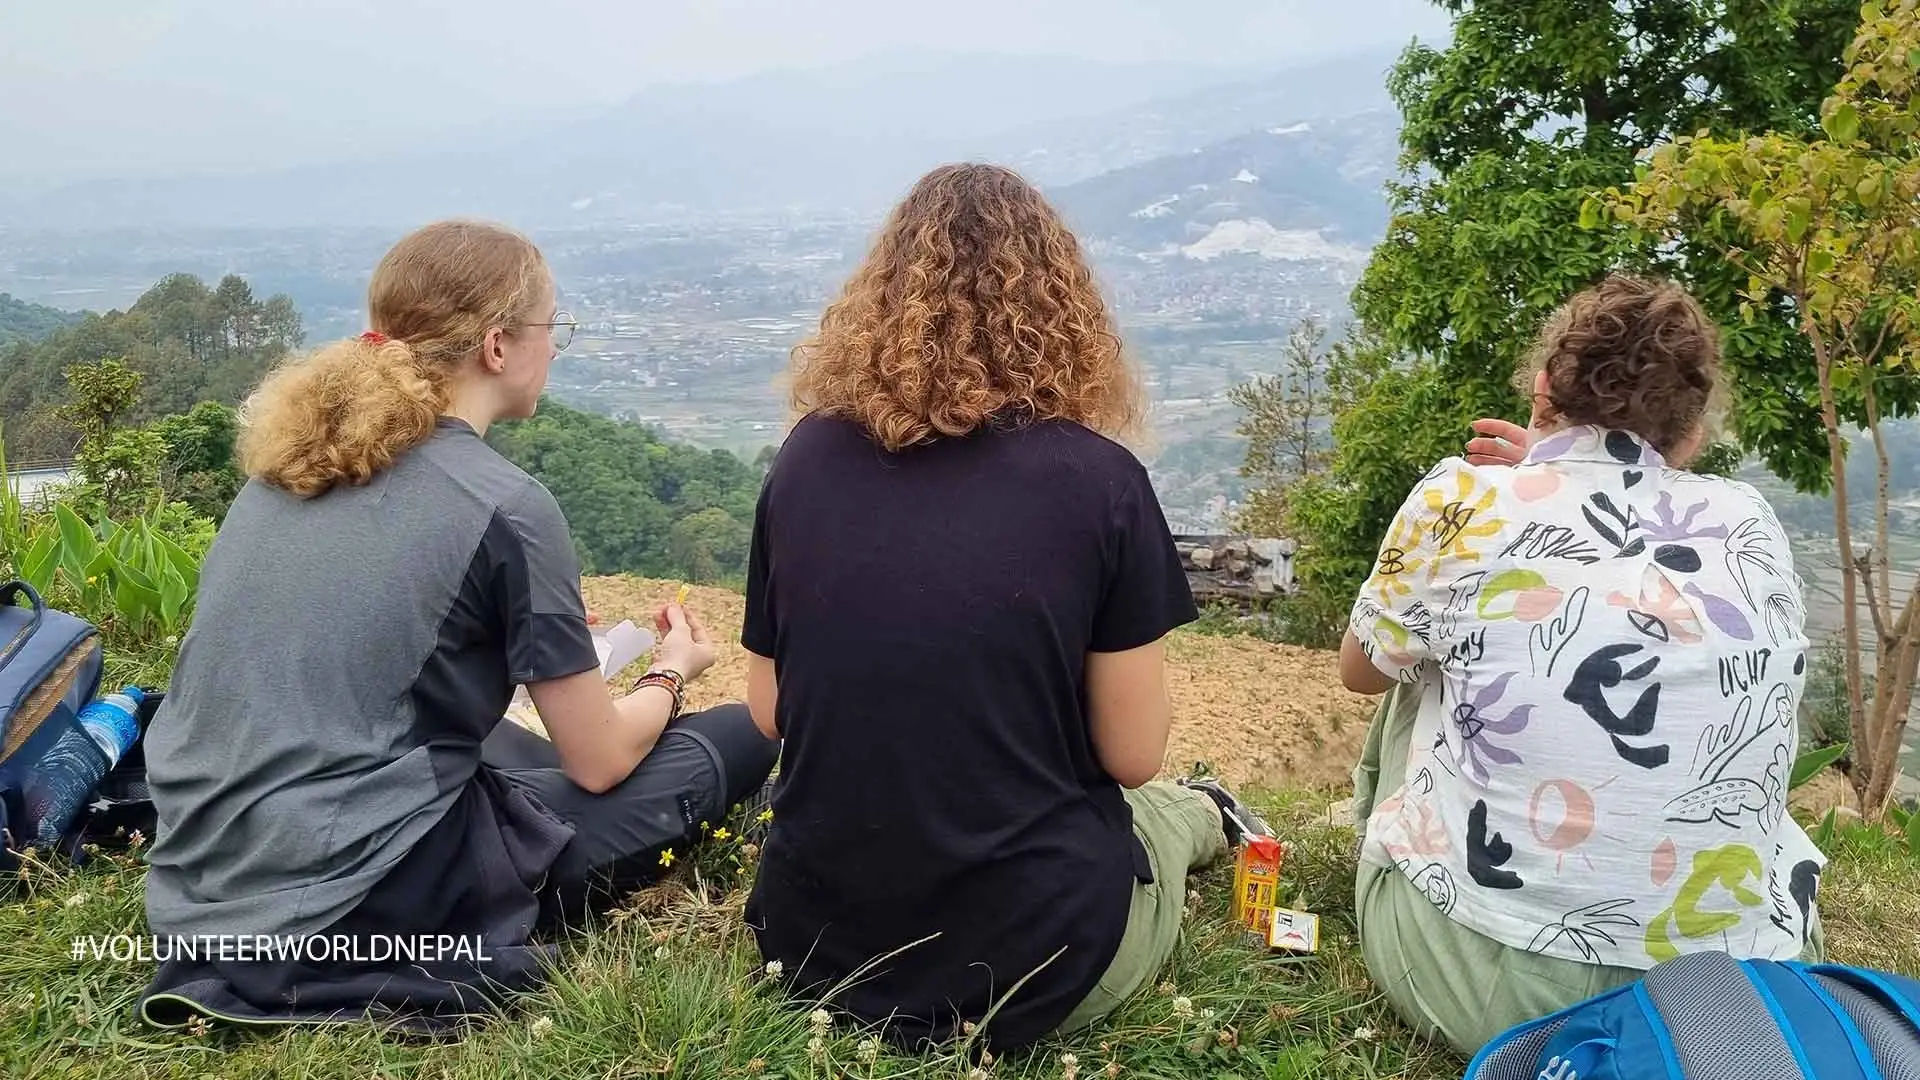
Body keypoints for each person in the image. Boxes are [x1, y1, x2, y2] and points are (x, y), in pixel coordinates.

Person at [136, 219, 779, 1033]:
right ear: (499, 346)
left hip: (203, 874)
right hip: (355, 895)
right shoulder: (505, 505)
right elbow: (601, 761)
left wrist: (512, 640)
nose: (556, 347)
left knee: (515, 752)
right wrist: (671, 670)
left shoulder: (283, 468)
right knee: (735, 734)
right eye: (554, 329)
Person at [738, 163, 1268, 1053]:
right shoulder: (1102, 482)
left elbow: (768, 710)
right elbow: (1132, 756)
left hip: (813, 950)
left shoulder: (806, 460)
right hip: (1039, 961)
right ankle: (1209, 816)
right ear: (1065, 309)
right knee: (1165, 814)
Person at [1341, 274, 1825, 1054]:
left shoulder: (1465, 499)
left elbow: (1360, 671)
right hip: (1729, 1000)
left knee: (1415, 648)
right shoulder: (1748, 521)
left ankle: (1399, 853)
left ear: (1542, 389)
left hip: (1492, 987)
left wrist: (1519, 489)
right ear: (1693, 431)